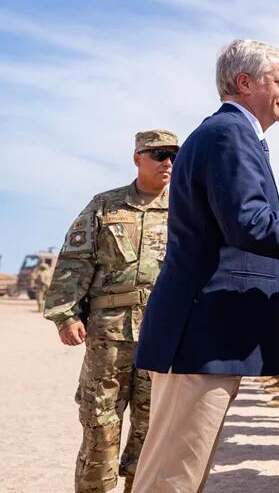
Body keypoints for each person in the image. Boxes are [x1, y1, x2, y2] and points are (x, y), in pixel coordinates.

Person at [131, 39, 279, 493]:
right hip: (201, 336)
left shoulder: (231, 134)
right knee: (171, 479)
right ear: (245, 82)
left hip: (207, 334)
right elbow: (249, 222)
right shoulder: (229, 134)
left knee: (182, 473)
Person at [43, 128, 179, 493]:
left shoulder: (187, 209)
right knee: (99, 424)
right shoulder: (106, 205)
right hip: (109, 336)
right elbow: (75, 261)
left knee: (152, 428)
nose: (168, 162)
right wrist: (65, 315)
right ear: (137, 158)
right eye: (159, 155)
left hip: (162, 335)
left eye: (174, 156)